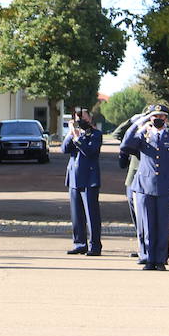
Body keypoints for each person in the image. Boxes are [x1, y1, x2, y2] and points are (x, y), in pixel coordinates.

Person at [119, 104, 169, 270]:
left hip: (165, 186)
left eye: (161, 116)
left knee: (162, 225)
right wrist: (139, 126)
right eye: (154, 116)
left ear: (166, 119)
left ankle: (160, 260)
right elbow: (125, 145)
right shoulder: (142, 136)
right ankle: (148, 258)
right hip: (144, 186)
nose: (158, 119)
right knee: (146, 224)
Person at [62, 107, 102, 256]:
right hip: (74, 178)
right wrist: (71, 132)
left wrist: (78, 138)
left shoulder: (95, 134)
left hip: (89, 178)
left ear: (89, 119)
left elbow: (90, 151)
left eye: (84, 118)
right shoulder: (73, 134)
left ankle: (95, 245)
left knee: (91, 214)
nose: (81, 121)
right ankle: (80, 243)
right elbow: (64, 149)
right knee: (76, 214)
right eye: (79, 119)